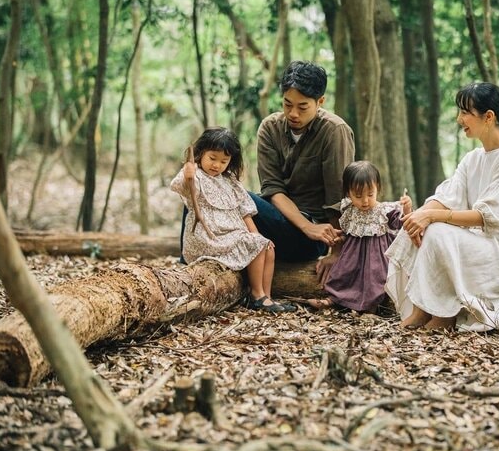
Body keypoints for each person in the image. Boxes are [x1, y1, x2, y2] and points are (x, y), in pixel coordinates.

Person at [385, 81, 499, 331]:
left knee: (436, 229)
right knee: (419, 224)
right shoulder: (473, 158)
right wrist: (421, 216)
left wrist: (433, 217)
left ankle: (436, 314)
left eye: (466, 112)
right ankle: (428, 311)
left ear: (488, 117)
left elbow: (488, 217)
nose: (460, 119)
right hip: (482, 243)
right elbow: (448, 196)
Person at [250, 60, 355, 283]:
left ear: (320, 102)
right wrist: (304, 226)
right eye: (287, 104)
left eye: (302, 107)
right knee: (209, 185)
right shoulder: (270, 128)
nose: (293, 113)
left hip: (313, 237)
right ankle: (188, 265)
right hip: (282, 223)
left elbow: (339, 198)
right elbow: (272, 189)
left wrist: (336, 253)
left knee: (228, 192)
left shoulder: (334, 131)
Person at [171, 127, 294, 313]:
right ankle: (256, 295)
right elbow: (185, 188)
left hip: (232, 234)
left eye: (223, 161)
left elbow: (245, 212)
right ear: (201, 153)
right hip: (209, 237)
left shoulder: (230, 181)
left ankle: (266, 297)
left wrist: (257, 236)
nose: (217, 165)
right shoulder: (195, 174)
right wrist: (188, 176)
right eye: (212, 158)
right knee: (256, 244)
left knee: (267, 247)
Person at [306, 161, 413, 312]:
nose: (365, 201)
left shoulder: (385, 211)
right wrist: (340, 239)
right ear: (348, 193)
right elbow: (348, 232)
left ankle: (370, 307)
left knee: (374, 279)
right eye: (358, 195)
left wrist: (407, 208)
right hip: (352, 256)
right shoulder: (349, 210)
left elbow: (402, 223)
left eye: (370, 194)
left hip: (376, 257)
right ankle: (333, 299)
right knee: (342, 273)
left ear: (378, 189)